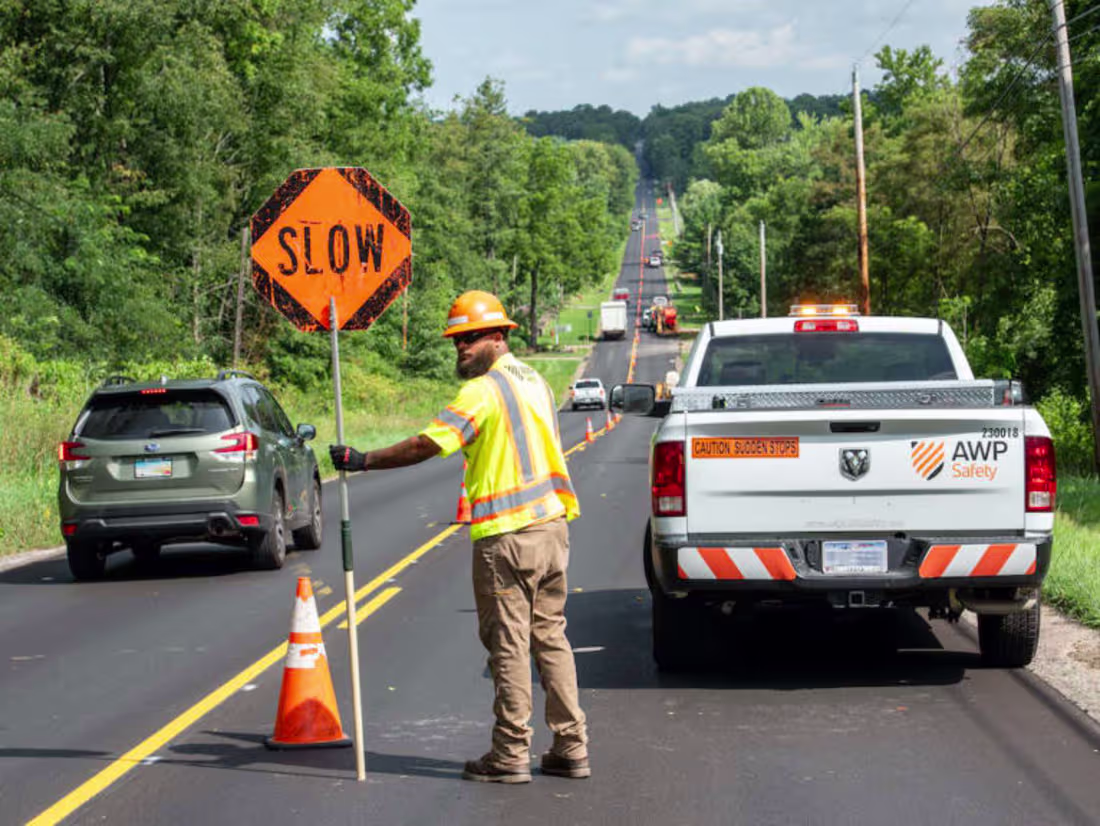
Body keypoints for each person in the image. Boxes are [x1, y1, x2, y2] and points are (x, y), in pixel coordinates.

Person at [330, 290, 589, 785]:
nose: (460, 348)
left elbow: (429, 444)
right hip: (552, 527)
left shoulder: (484, 390)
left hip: (509, 537)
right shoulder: (533, 379)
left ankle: (511, 753)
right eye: (455, 341)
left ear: (499, 336)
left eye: (469, 338)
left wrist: (365, 461)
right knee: (550, 638)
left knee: (509, 645)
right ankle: (571, 746)